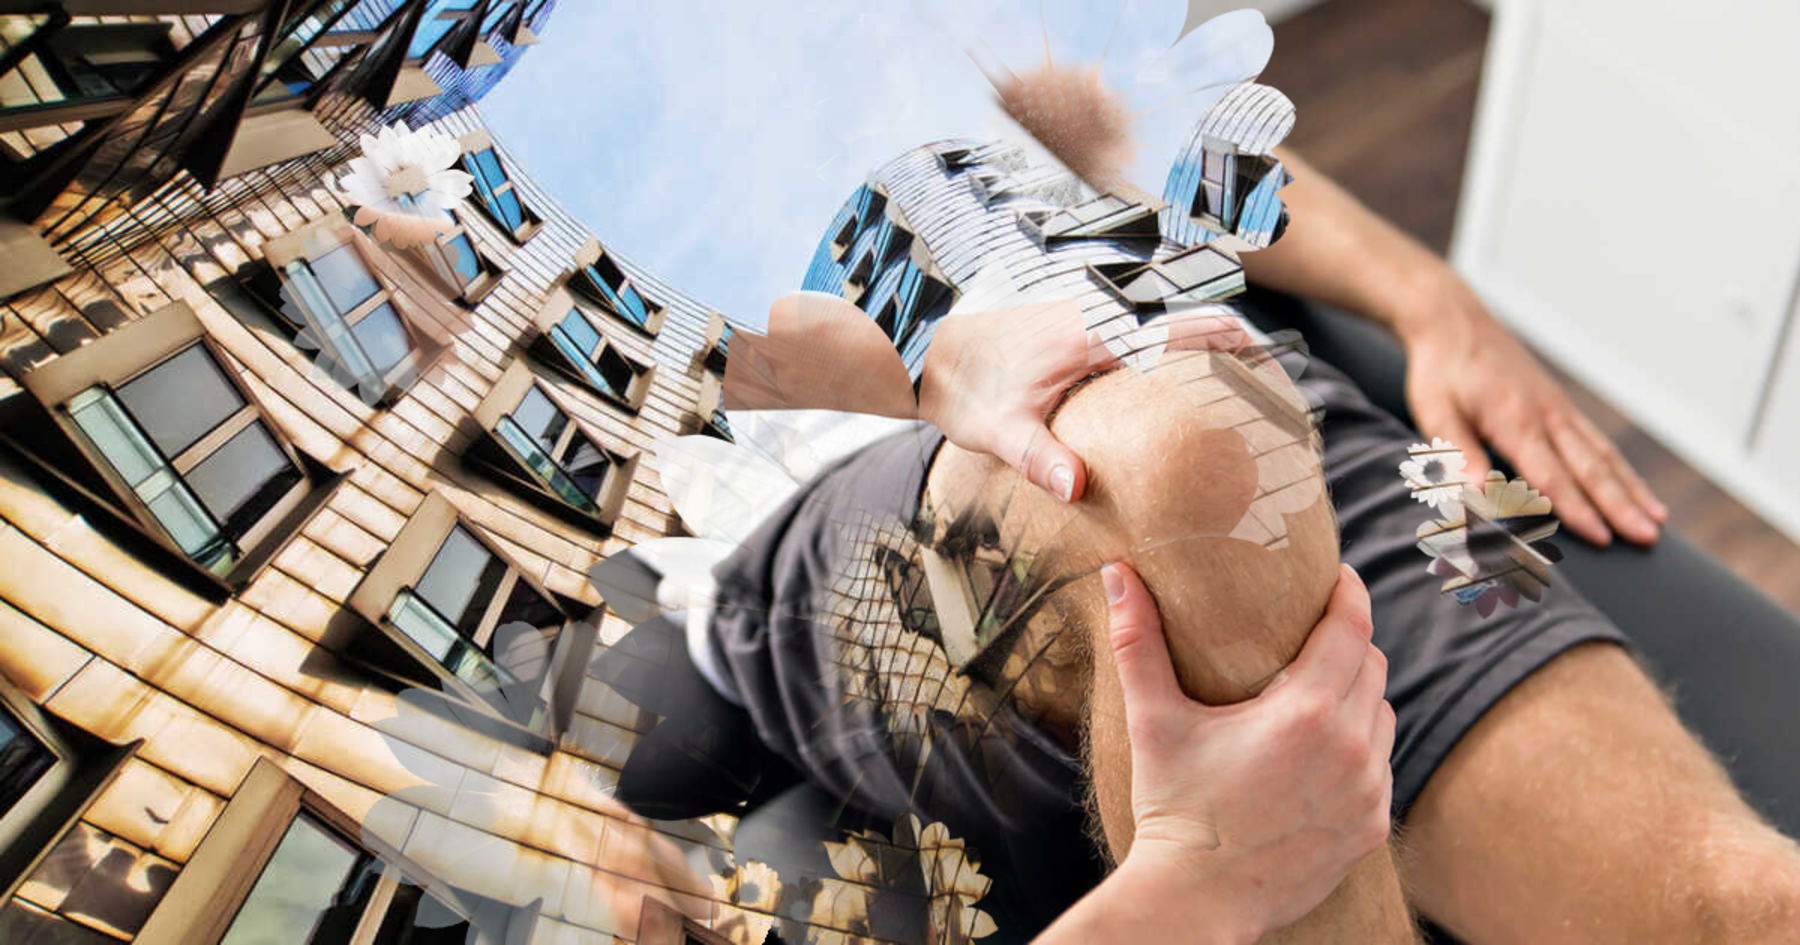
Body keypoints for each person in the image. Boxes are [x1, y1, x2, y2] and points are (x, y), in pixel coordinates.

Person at [653, 136, 1800, 941]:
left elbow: (1167, 147)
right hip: (855, 489)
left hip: (1246, 385)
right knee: (1180, 452)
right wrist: (926, 361)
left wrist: (1431, 299)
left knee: (1751, 910)